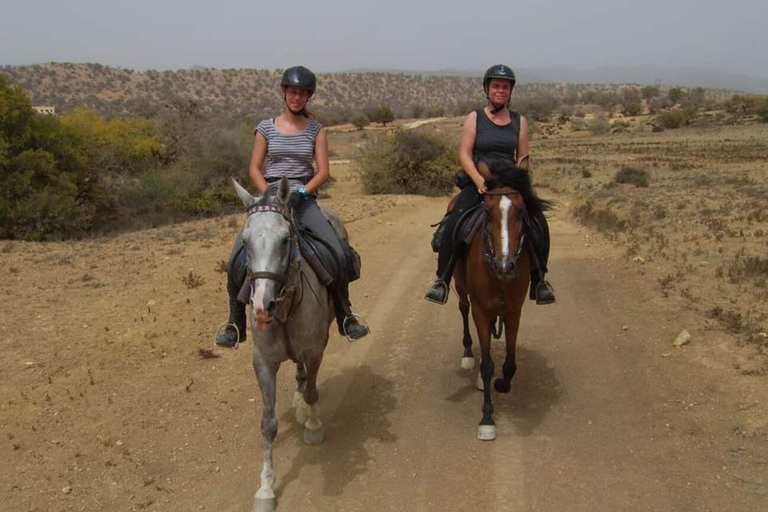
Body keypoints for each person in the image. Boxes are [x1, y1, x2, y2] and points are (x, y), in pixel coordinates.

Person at [216, 65, 369, 347]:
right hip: (270, 196)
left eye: (302, 93)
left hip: (303, 196)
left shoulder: (316, 129)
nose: (296, 97)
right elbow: (254, 169)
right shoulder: (265, 127)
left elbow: (323, 171)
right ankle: (235, 322)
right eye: (292, 92)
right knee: (238, 254)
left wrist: (301, 192)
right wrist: (269, 200)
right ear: (284, 92)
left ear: (308, 96)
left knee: (336, 250)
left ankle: (345, 313)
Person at [424, 64, 556, 305]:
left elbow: (523, 158)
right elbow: (464, 154)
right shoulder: (475, 118)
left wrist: (520, 187)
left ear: (510, 92)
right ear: (487, 88)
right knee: (453, 223)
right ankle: (441, 280)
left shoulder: (520, 121)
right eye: (496, 86)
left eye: (505, 87)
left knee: (538, 223)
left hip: (509, 186)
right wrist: (477, 179)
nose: (500, 90)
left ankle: (539, 280)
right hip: (480, 183)